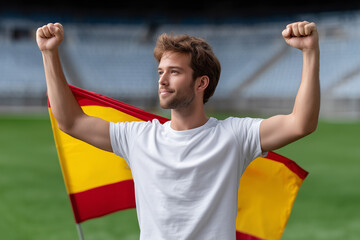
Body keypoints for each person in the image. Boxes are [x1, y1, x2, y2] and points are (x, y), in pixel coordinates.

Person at [36, 21, 320, 240]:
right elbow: (71, 121)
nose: (162, 79)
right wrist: (49, 53)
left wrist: (310, 52)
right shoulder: (138, 138)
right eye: (160, 71)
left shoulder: (235, 136)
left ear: (201, 83)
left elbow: (301, 123)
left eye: (174, 72)